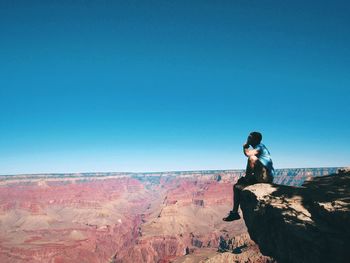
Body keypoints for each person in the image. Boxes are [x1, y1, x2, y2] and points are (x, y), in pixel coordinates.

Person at [223, 131, 274, 221]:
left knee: (252, 158)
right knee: (237, 186)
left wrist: (245, 145)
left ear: (256, 139)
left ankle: (247, 179)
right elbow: (247, 153)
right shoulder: (258, 147)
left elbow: (248, 155)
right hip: (260, 175)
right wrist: (245, 147)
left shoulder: (260, 147)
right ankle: (235, 213)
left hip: (266, 176)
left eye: (250, 137)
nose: (248, 139)